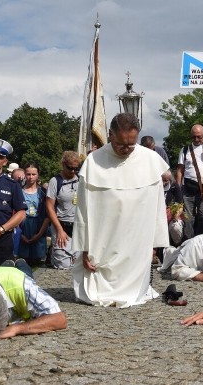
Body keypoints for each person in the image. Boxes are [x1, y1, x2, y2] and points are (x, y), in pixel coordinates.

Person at [73, 113, 169, 307]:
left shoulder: (150, 160)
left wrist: (156, 244)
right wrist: (84, 249)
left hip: (136, 239)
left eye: (131, 144)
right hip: (103, 240)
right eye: (120, 144)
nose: (126, 149)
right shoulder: (94, 162)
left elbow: (158, 207)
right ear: (110, 135)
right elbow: (82, 210)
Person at [175, 124, 203, 240]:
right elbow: (180, 170)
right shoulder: (185, 150)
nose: (196, 139)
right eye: (193, 137)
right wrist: (178, 189)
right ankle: (188, 242)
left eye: (199, 137)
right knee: (188, 218)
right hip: (188, 189)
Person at [45, 151, 81, 270]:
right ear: (63, 164)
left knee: (78, 265)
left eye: (76, 168)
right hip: (61, 225)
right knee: (63, 266)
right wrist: (59, 230)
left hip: (78, 226)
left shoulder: (81, 180)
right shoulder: (55, 181)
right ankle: (53, 254)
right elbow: (49, 207)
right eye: (70, 168)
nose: (72, 171)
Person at [16, 163, 50, 266]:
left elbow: (47, 215)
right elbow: (14, 213)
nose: (31, 177)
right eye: (28, 174)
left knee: (38, 262)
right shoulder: (18, 191)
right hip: (23, 225)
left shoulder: (43, 193)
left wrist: (39, 234)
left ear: (38, 175)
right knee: (22, 260)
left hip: (38, 226)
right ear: (25, 175)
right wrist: (20, 234)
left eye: (33, 174)